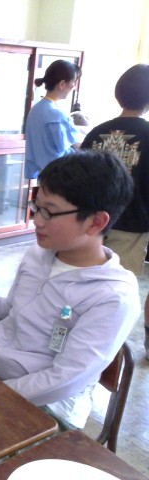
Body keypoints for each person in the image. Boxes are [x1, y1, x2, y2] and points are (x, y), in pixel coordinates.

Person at [0, 151, 139, 430]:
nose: (37, 220)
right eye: (37, 206)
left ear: (96, 222)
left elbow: (65, 379)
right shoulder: (38, 255)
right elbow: (11, 313)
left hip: (48, 407)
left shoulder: (113, 297)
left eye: (50, 212)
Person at [81, 64, 149, 360]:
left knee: (83, 280)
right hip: (131, 224)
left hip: (88, 224)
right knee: (117, 290)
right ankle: (106, 350)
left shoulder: (96, 132)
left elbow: (77, 178)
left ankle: (77, 335)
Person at [24, 60, 83, 179]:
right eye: (74, 82)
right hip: (60, 176)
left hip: (44, 175)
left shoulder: (35, 110)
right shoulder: (57, 114)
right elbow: (78, 145)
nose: (74, 87)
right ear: (62, 84)